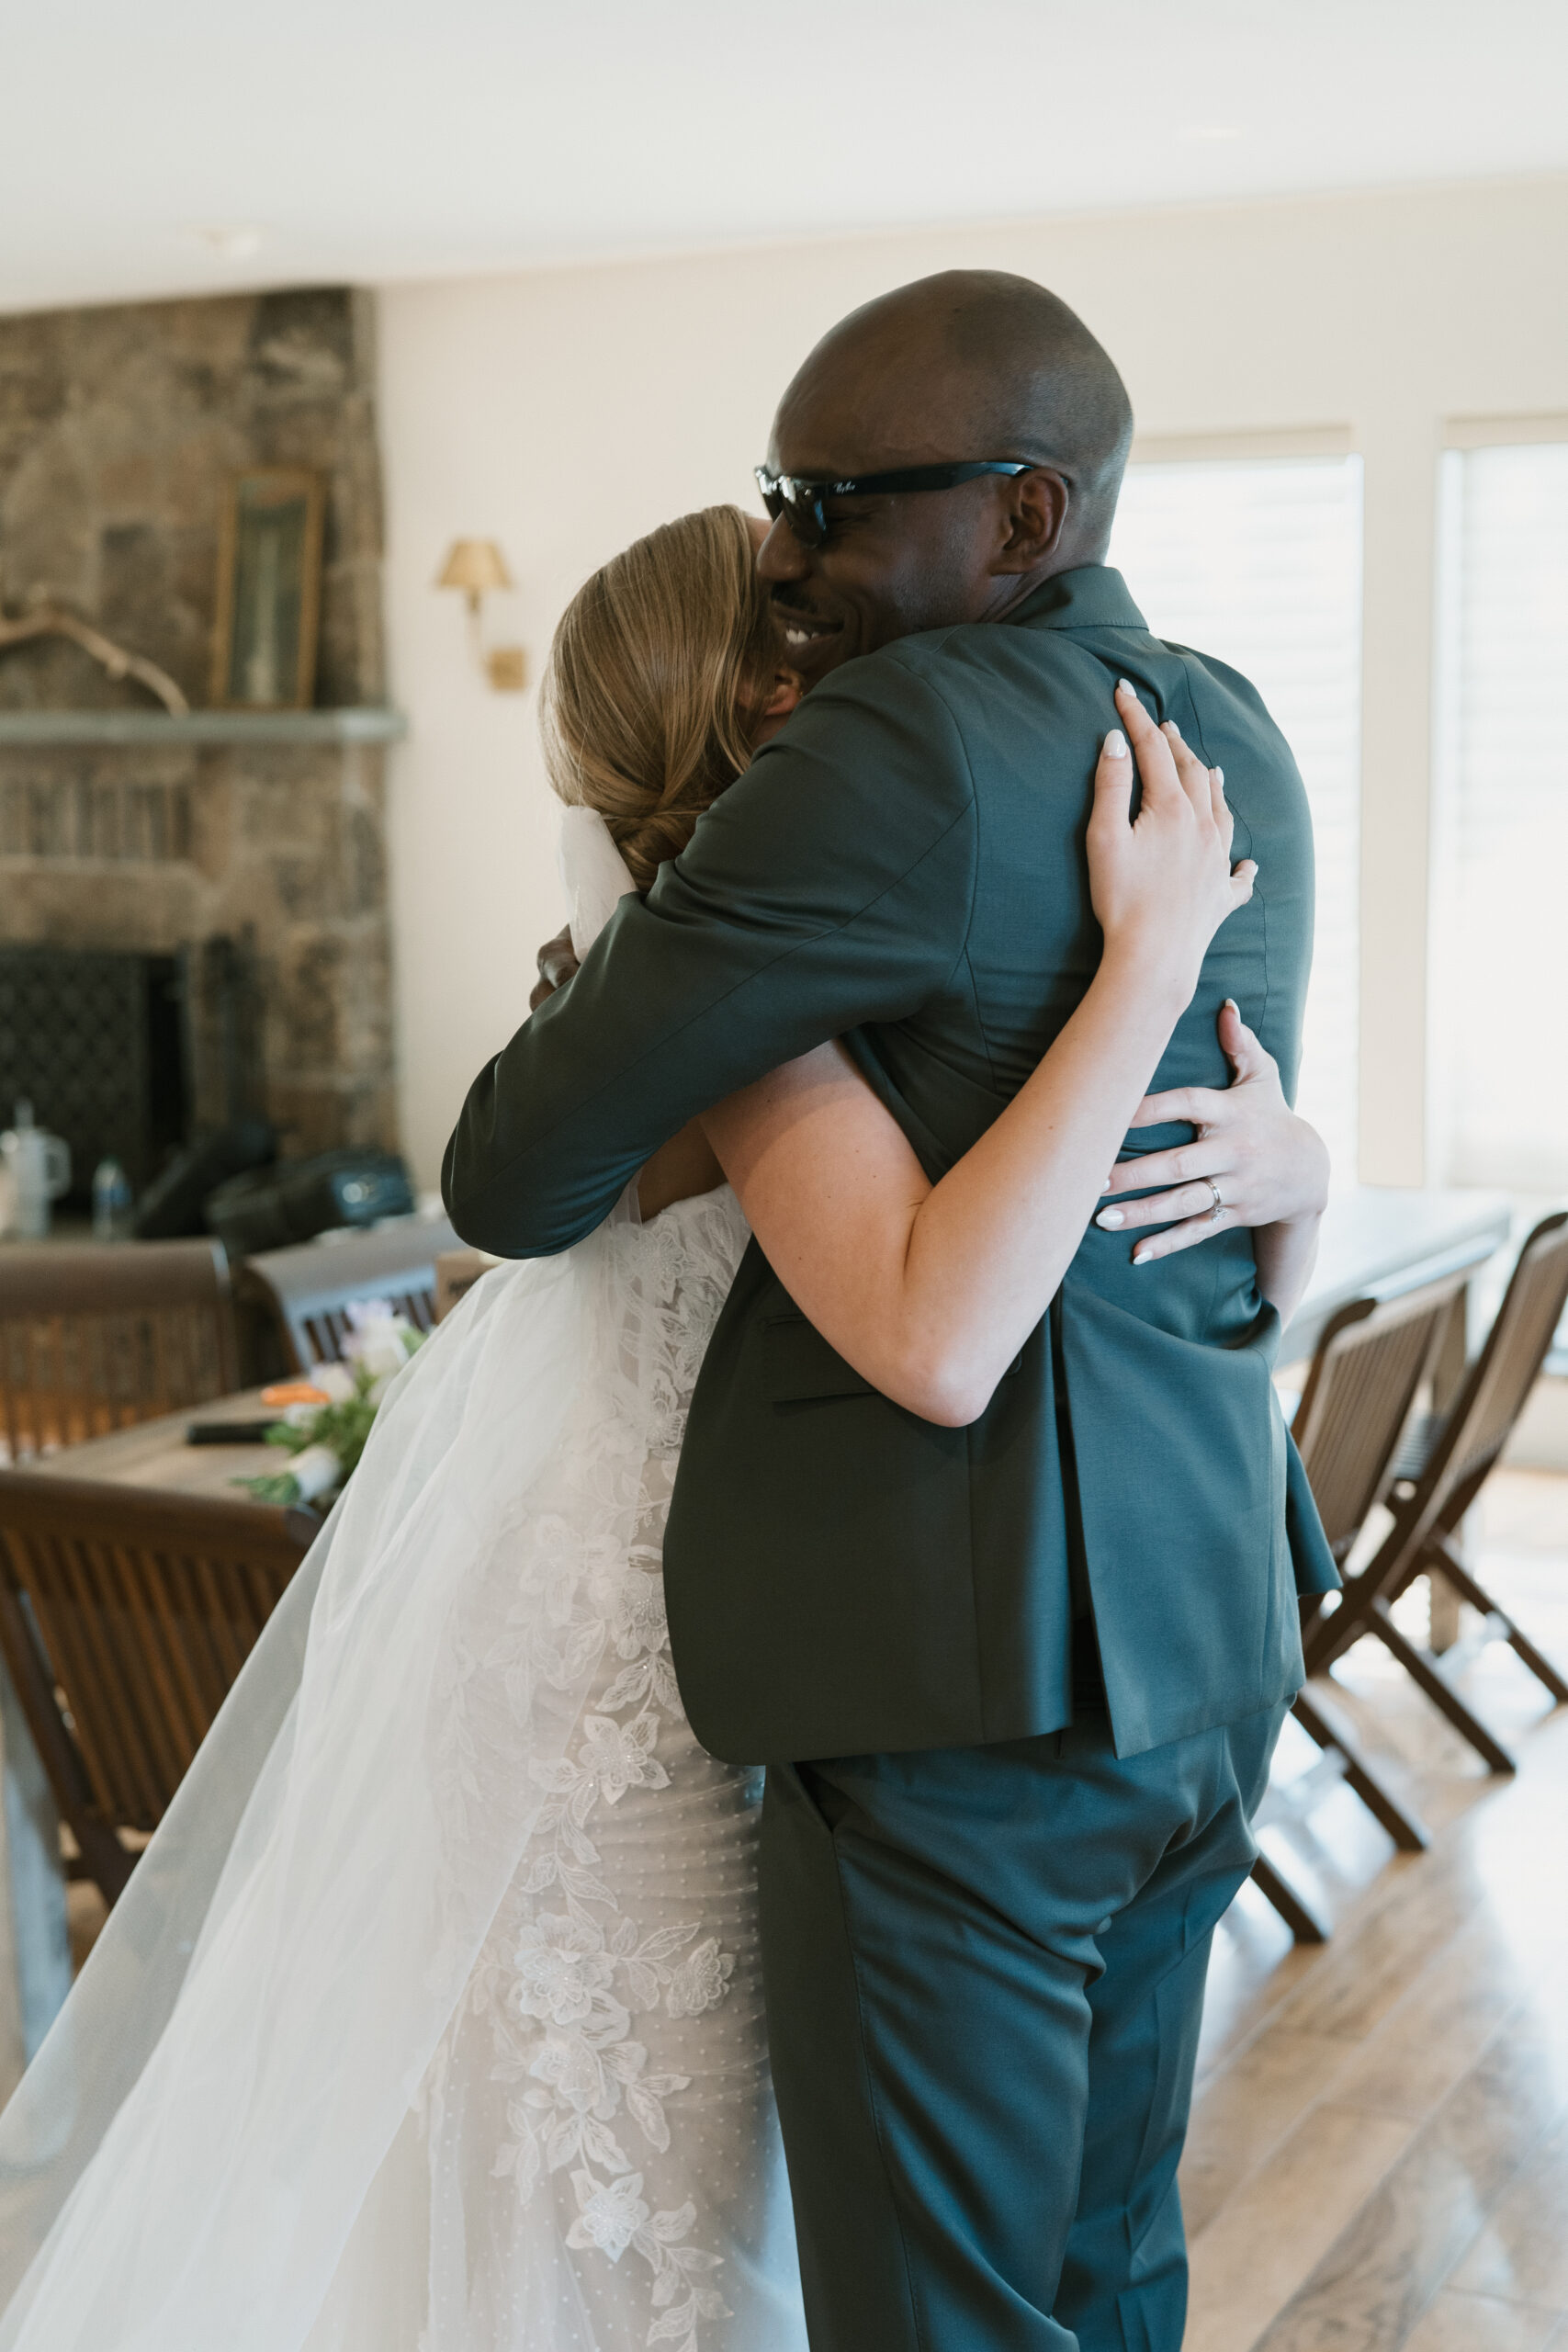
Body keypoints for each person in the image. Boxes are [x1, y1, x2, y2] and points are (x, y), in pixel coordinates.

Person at [0, 499, 1324, 2352]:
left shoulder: (815, 965)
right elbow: (941, 1322)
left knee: (727, 2198)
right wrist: (1143, 972)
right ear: (789, 711)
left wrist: (1288, 1161)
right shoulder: (750, 1006)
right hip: (667, 1655)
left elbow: (1089, 1237)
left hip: (744, 1625)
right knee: (652, 2204)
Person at [443, 272, 1337, 2352]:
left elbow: (511, 1176)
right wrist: (1303, 1168)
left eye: (833, 503)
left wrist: (639, 997)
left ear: (1023, 516)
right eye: (779, 498)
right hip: (1201, 1642)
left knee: (933, 2318)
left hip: (962, 1683)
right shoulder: (1227, 729)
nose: (787, 548)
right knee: (1108, 2272)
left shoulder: (885, 749)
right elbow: (1213, 1198)